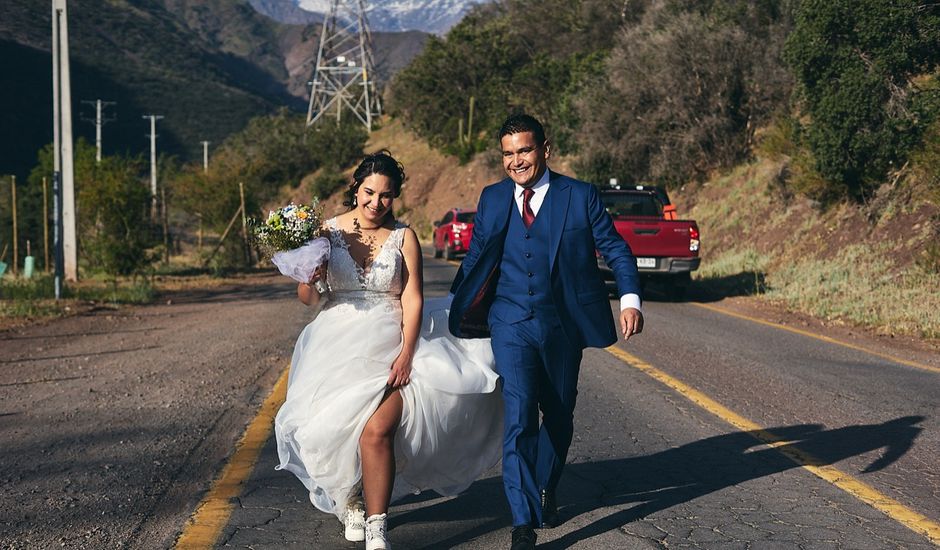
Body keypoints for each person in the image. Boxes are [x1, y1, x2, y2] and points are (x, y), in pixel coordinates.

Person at [275, 151, 503, 550]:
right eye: (368, 192)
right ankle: (351, 499)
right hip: (335, 345)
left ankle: (378, 525)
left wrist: (406, 354)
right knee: (333, 429)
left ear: (395, 196)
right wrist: (307, 276)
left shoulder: (404, 237)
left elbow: (413, 299)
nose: (375, 203)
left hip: (390, 340)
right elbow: (308, 298)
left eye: (386, 195)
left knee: (376, 430)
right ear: (355, 189)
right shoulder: (326, 232)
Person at [448, 114, 644, 550]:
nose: (516, 160)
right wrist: (455, 306)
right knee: (519, 413)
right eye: (508, 153)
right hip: (510, 320)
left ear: (545, 149)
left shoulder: (580, 195)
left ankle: (545, 485)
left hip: (563, 324)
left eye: (525, 150)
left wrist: (630, 299)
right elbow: (478, 256)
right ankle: (522, 523)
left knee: (558, 414)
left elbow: (614, 247)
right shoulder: (493, 198)